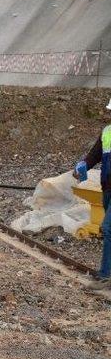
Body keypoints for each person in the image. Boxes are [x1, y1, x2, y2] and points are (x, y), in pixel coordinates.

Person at [74, 98, 111, 289]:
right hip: (107, 189)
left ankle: (105, 276)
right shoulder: (107, 132)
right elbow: (95, 155)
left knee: (108, 227)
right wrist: (83, 166)